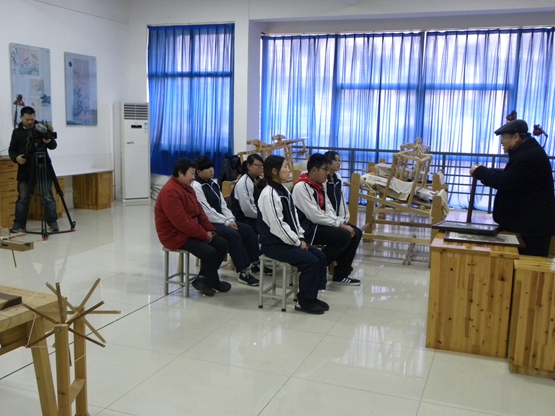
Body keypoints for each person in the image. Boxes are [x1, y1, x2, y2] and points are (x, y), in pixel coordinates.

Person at [470, 119, 555, 256]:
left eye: (504, 137)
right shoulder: (527, 151)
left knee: (526, 266)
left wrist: (480, 171)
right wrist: (486, 171)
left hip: (531, 229)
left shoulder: (528, 156)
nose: (502, 142)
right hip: (526, 225)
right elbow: (511, 175)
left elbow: (504, 182)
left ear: (516, 137)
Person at [257, 155, 329, 314]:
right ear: (274, 171)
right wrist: (297, 242)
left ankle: (312, 296)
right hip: (273, 244)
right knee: (311, 261)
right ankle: (304, 301)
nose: (289, 170)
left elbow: (294, 219)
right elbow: (278, 226)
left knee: (320, 256)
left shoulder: (284, 190)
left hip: (288, 241)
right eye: (285, 167)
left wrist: (301, 237)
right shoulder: (269, 194)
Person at [154, 158, 230, 296]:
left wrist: (210, 230)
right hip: (174, 235)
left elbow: (200, 213)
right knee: (209, 252)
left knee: (222, 243)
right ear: (180, 173)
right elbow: (182, 222)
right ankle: (210, 281)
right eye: (191, 173)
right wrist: (203, 235)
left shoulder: (188, 188)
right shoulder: (170, 192)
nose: (194, 177)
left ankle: (203, 279)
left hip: (189, 232)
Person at [292, 153, 362, 285]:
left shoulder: (319, 185)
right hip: (307, 228)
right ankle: (316, 267)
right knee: (344, 235)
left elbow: (328, 208)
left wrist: (340, 221)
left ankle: (341, 274)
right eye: (325, 169)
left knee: (356, 232)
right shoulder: (301, 187)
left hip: (318, 224)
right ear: (314, 170)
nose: (327, 173)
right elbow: (315, 215)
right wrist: (340, 225)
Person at [193, 156, 263, 286]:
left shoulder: (213, 184)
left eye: (212, 167)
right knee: (233, 235)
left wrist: (231, 219)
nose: (211, 170)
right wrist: (226, 222)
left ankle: (255, 263)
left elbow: (223, 205)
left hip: (222, 220)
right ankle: (243, 272)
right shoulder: (196, 186)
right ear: (198, 172)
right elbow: (206, 210)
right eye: (207, 169)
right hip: (208, 222)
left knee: (247, 230)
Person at [8, 106, 58, 233]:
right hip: (25, 169)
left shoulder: (41, 128)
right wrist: (16, 158)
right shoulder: (17, 132)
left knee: (47, 196)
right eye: (27, 119)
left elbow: (53, 145)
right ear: (21, 118)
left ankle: (52, 222)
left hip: (43, 168)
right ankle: (19, 224)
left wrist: (48, 141)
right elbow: (12, 150)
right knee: (23, 198)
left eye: (32, 119)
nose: (30, 122)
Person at [229, 153, 264, 233]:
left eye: (262, 165)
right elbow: (249, 211)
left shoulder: (258, 179)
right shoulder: (244, 183)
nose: (261, 168)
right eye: (258, 165)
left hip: (256, 215)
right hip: (245, 219)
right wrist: (265, 216)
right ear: (249, 166)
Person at [323, 151, 350, 223]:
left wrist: (344, 219)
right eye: (336, 160)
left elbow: (342, 200)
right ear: (327, 161)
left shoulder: (338, 177)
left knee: (355, 229)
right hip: (328, 219)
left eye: (339, 160)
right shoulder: (323, 179)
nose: (339, 163)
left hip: (338, 219)